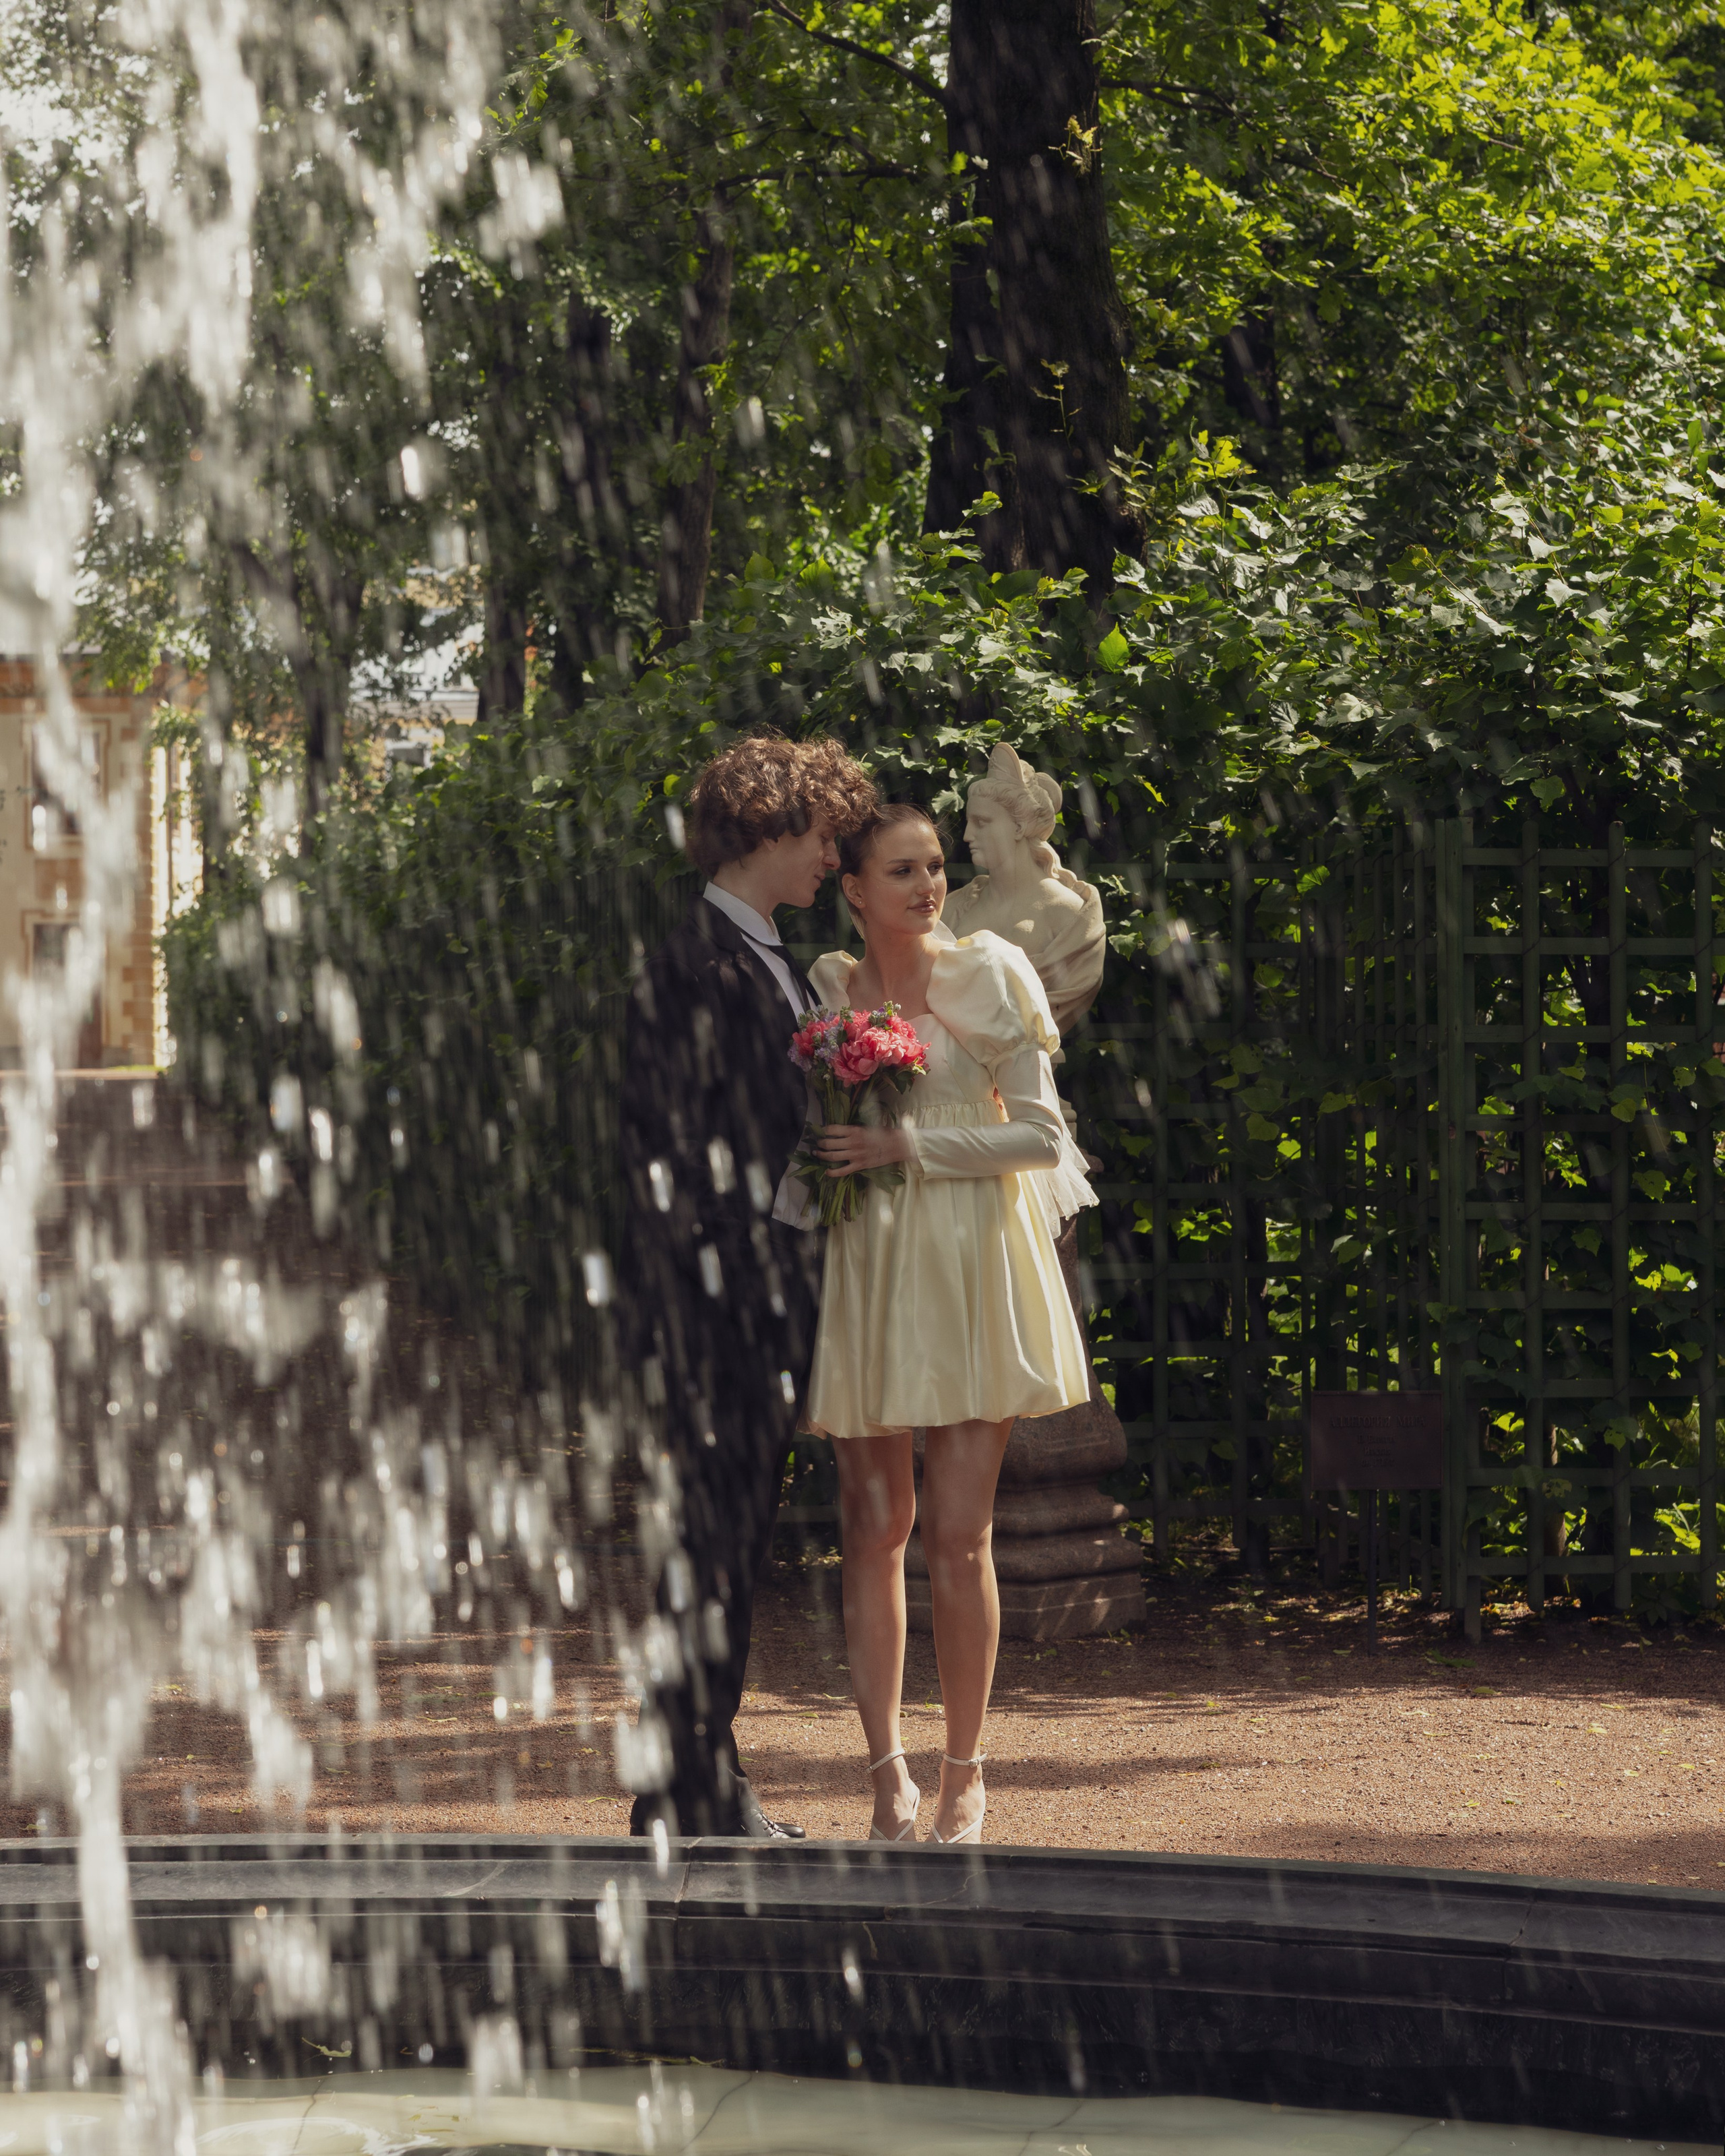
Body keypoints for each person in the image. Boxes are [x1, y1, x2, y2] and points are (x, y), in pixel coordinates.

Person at [803, 803, 1096, 1844]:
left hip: (974, 1262)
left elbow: (1038, 1136)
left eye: (934, 865)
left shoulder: (994, 971)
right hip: (877, 1270)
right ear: (853, 888)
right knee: (873, 1530)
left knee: (959, 1537)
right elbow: (822, 1138)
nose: (928, 886)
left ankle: (965, 1769)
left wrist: (910, 1153)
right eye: (901, 870)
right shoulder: (830, 989)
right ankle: (884, 1774)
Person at [617, 732, 877, 1840]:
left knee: (728, 1534)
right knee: (713, 1534)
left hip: (754, 1293)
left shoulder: (764, 956)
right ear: (770, 829)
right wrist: (738, 1272)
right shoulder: (692, 963)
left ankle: (687, 1778)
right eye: (823, 837)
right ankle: (691, 1782)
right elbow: (668, 1151)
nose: (833, 858)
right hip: (718, 1304)